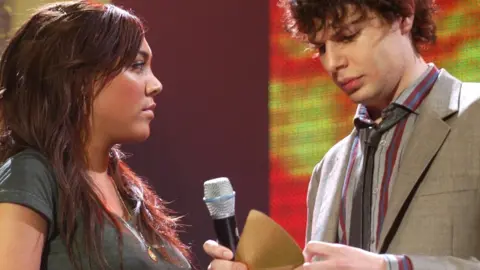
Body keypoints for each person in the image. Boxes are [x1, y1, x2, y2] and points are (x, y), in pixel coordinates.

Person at [204, 0, 480, 269]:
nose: (333, 62)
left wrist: (389, 268)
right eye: (321, 47)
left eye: (347, 36)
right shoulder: (328, 169)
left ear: (404, 14)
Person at [0, 1, 191, 269]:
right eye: (137, 65)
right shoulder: (32, 173)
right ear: (78, 79)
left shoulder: (129, 190)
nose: (156, 85)